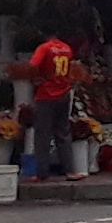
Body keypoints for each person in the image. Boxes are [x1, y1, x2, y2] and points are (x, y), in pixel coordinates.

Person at [24, 25, 79, 178]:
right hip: (64, 94)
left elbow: (32, 66)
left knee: (42, 135)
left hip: (46, 95)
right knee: (63, 133)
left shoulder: (44, 48)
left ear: (42, 33)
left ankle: (42, 173)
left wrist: (34, 79)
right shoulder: (67, 48)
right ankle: (69, 170)